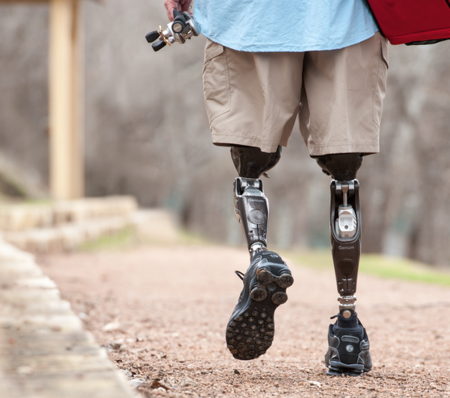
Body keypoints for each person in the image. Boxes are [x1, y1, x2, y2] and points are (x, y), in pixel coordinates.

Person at [163, 0, 388, 376]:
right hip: (348, 18)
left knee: (251, 159)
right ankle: (347, 329)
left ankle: (259, 258)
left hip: (251, 17)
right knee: (344, 171)